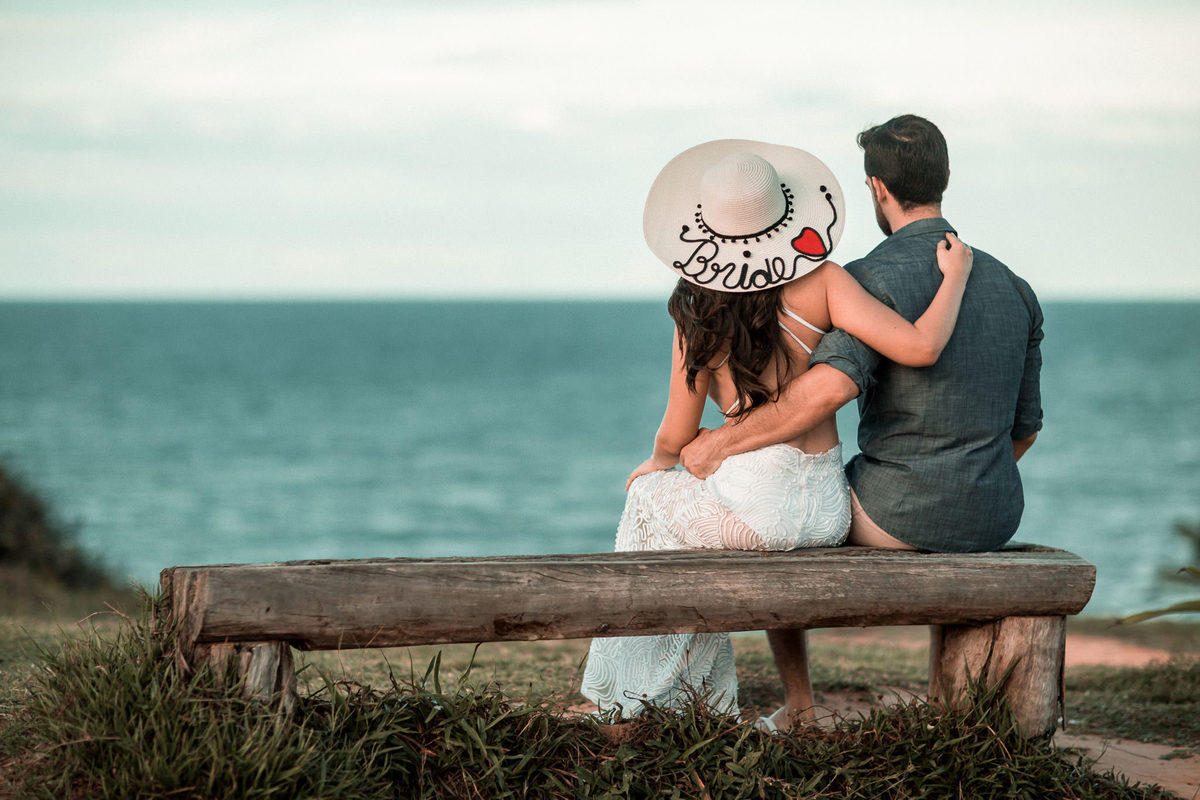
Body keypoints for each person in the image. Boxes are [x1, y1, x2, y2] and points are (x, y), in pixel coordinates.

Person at [579, 139, 973, 723]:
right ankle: (695, 697)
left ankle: (642, 699)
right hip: (827, 507)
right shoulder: (826, 283)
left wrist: (654, 465)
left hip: (758, 507)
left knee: (646, 502)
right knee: (676, 521)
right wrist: (955, 277)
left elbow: (677, 435)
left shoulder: (696, 311)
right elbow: (921, 347)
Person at [679, 116, 1045, 732]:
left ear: (877, 187)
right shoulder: (1014, 287)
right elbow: (1026, 428)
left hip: (895, 516)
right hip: (996, 513)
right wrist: (964, 479)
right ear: (944, 180)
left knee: (783, 511)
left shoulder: (868, 278)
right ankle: (952, 708)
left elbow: (825, 392)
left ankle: (798, 707)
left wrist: (720, 442)